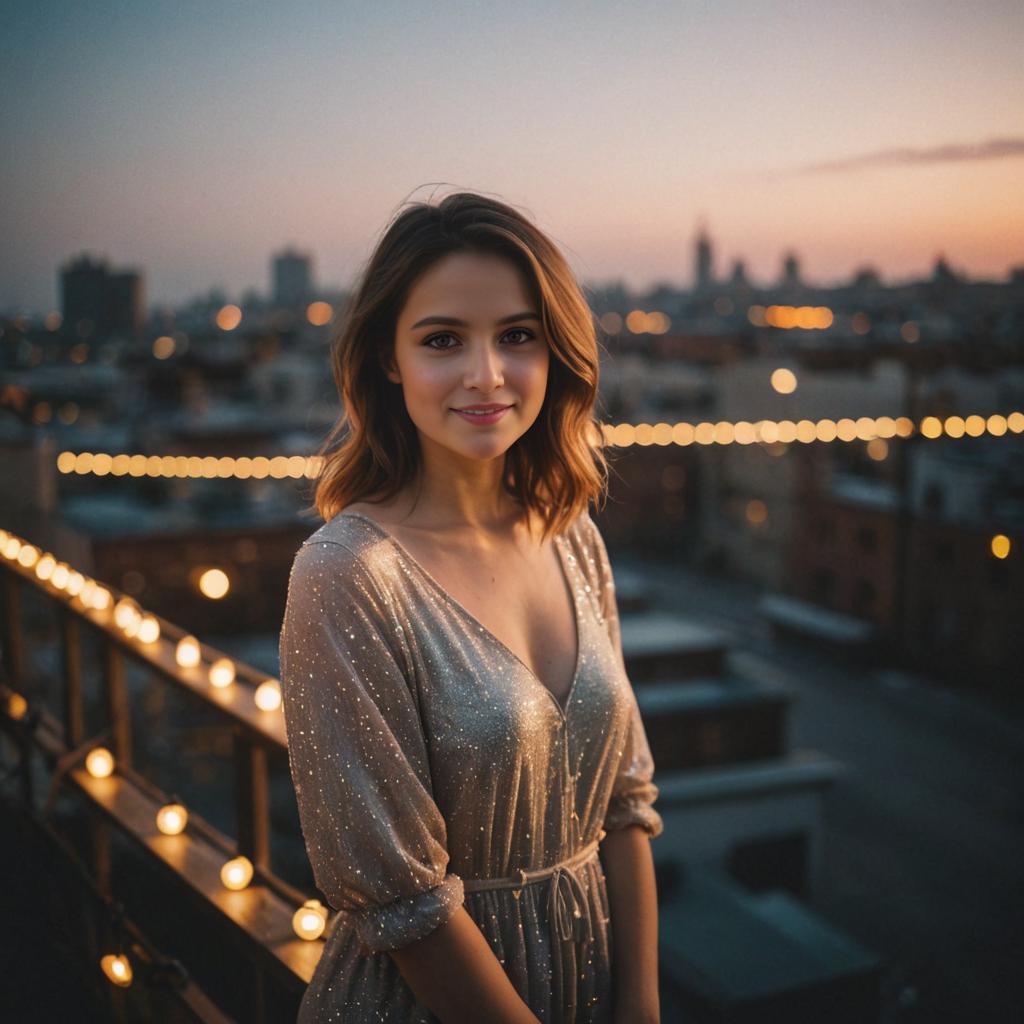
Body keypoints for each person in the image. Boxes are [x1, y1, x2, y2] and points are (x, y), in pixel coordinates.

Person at [279, 189, 663, 1024]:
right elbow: (406, 908)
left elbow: (627, 806)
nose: (486, 375)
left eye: (517, 337)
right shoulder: (347, 576)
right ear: (389, 357)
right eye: (443, 339)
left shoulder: (570, 537)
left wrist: (640, 1008)